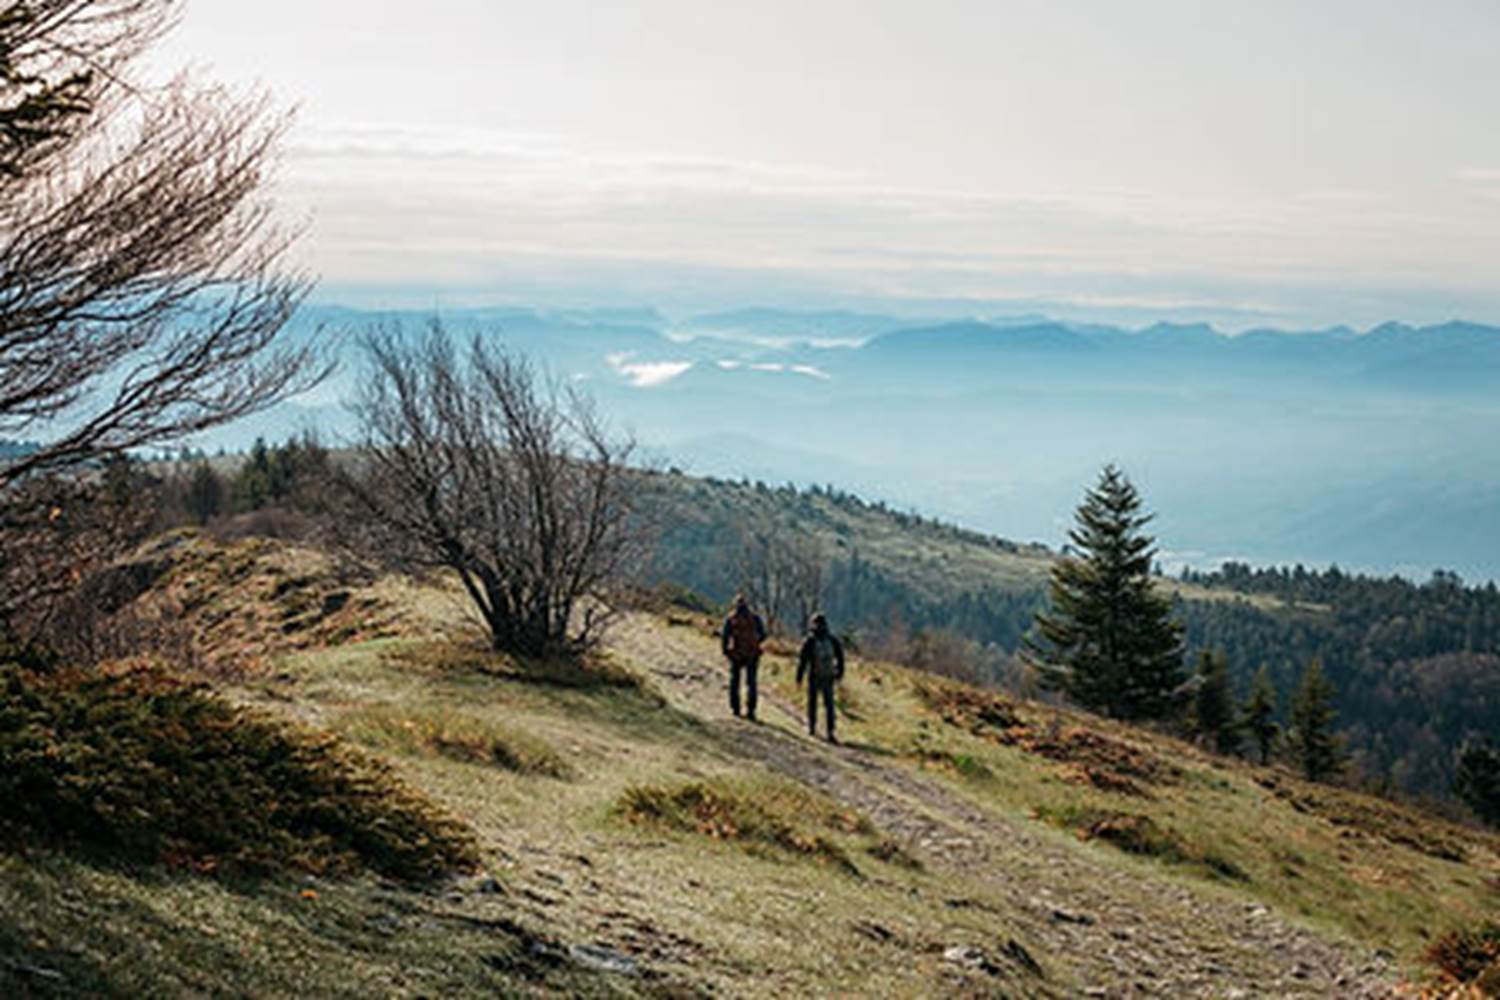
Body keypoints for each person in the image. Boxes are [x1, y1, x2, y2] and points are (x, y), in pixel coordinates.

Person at [797, 612, 845, 743]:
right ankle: (830, 731)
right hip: (828, 676)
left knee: (812, 702)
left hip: (814, 675)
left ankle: (812, 727)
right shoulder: (832, 639)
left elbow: (803, 660)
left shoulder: (810, 640)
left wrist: (799, 677)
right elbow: (840, 658)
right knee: (829, 705)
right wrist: (840, 673)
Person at [720, 594, 766, 720]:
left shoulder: (731, 618)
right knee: (751, 682)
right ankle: (751, 711)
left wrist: (726, 651)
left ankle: (736, 709)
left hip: (737, 654)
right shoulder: (755, 618)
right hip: (753, 654)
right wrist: (756, 643)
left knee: (735, 681)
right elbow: (763, 634)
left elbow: (724, 636)